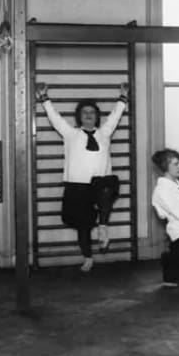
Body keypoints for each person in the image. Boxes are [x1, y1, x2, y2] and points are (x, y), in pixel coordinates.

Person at [36, 82, 128, 273]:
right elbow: (55, 119)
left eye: (92, 112)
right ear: (79, 116)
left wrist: (123, 97)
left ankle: (103, 226)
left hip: (100, 183)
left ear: (96, 117)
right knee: (83, 226)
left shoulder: (104, 133)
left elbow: (115, 116)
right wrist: (44, 98)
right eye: (84, 112)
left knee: (107, 187)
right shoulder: (71, 134)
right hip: (78, 186)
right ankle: (88, 257)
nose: (88, 115)